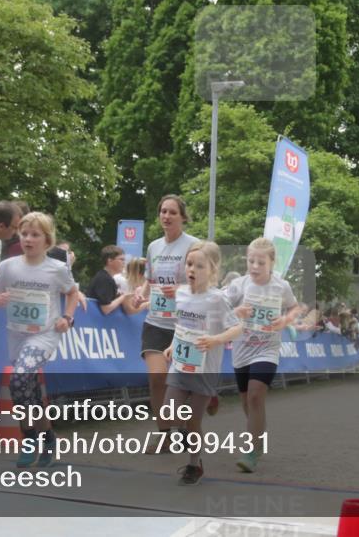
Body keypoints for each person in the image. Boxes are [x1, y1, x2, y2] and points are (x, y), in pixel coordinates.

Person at [0, 212, 80, 468]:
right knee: (28, 390)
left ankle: (28, 438)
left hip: (44, 334)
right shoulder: (9, 266)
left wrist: (67, 318)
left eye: (35, 235)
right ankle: (48, 437)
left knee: (18, 378)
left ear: (47, 240)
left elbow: (72, 293)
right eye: (24, 234)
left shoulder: (57, 269)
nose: (28, 239)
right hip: (16, 333)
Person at [163, 241, 243, 485]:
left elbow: (238, 328)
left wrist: (216, 339)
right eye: (189, 264)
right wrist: (171, 346)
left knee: (194, 421)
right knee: (168, 412)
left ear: (212, 270)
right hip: (180, 362)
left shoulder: (216, 300)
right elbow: (182, 326)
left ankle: (194, 465)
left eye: (199, 266)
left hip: (205, 368)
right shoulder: (181, 294)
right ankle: (200, 414)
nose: (193, 270)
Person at [224, 238, 300, 473]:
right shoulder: (239, 284)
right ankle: (259, 437)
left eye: (260, 262)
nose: (255, 266)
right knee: (247, 401)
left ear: (272, 262)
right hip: (242, 349)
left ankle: (250, 451)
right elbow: (218, 305)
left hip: (267, 349)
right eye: (251, 261)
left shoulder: (281, 286)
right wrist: (236, 311)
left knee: (256, 396)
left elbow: (294, 307)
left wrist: (285, 320)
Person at [134, 194, 200, 447]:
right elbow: (150, 281)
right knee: (157, 377)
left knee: (183, 381)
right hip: (156, 322)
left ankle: (183, 427)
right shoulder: (153, 247)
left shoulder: (194, 245)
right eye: (163, 211)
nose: (166, 216)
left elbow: (204, 280)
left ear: (183, 217)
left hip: (186, 324)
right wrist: (142, 293)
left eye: (172, 212)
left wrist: (182, 290)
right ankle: (164, 434)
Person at [88, 245, 142, 315]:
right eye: (121, 259)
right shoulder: (105, 279)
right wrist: (123, 297)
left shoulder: (106, 277)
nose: (124, 263)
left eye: (124, 260)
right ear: (110, 261)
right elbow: (106, 309)